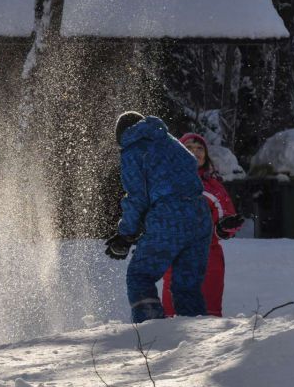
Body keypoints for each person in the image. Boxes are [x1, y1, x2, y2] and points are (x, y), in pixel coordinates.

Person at [104, 112, 212, 323]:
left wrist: (125, 235)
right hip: (200, 216)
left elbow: (137, 197)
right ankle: (198, 338)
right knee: (187, 286)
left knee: (140, 276)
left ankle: (150, 334)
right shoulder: (169, 141)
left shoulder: (133, 149)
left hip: (168, 217)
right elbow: (190, 168)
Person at [162, 133, 243, 317]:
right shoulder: (166, 184)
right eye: (189, 148)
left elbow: (226, 221)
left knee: (207, 317)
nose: (195, 152)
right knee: (172, 316)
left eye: (200, 149)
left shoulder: (214, 187)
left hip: (209, 258)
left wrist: (225, 227)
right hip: (175, 257)